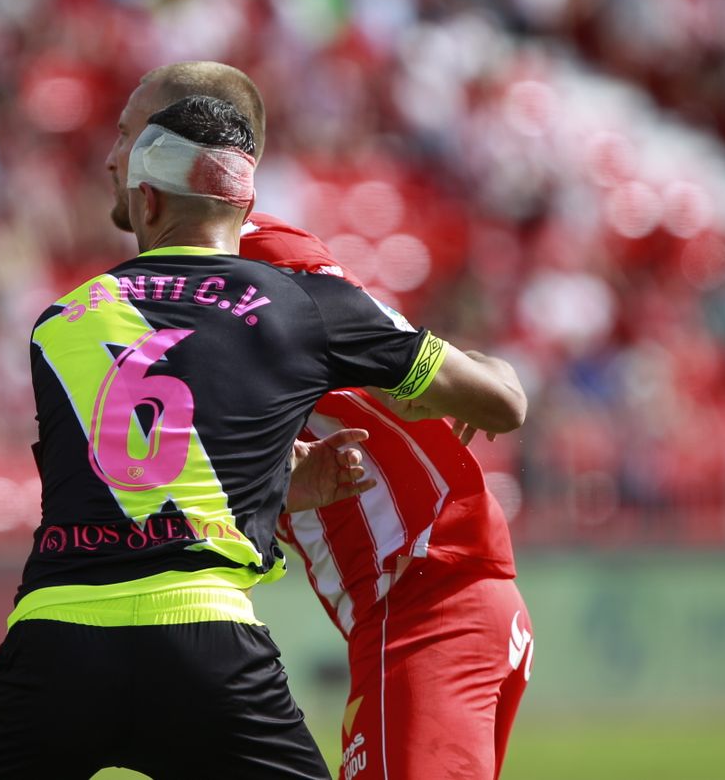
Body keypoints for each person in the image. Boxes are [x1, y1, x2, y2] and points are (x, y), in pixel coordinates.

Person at [0, 95, 523, 779]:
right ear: (241, 206)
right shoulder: (300, 303)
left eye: (124, 139)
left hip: (56, 643)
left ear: (146, 201)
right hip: (207, 646)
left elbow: (142, 469)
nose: (110, 156)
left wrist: (278, 483)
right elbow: (501, 403)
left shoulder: (60, 318)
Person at [107, 61, 534, 780]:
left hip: (429, 596)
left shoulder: (260, 255)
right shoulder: (183, 283)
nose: (111, 156)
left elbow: (472, 388)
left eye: (127, 134)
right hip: (417, 607)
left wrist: (480, 377)